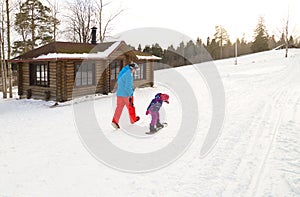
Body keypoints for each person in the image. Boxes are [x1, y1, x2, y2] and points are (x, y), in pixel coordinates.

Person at [111, 63, 140, 129]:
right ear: (132, 68)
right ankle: (133, 119)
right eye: (135, 69)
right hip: (126, 95)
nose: (134, 71)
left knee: (119, 108)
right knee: (131, 107)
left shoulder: (122, 73)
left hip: (119, 94)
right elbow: (127, 87)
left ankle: (114, 121)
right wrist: (131, 94)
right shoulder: (129, 74)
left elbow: (121, 83)